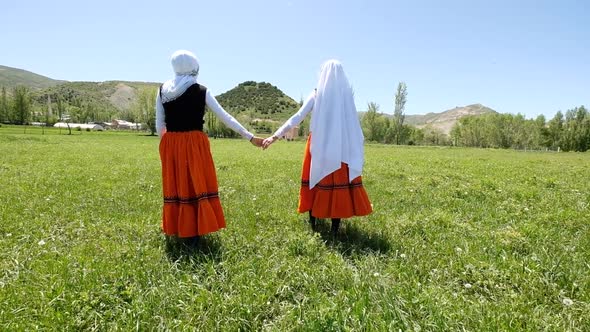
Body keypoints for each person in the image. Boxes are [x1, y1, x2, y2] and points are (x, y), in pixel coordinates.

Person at [156, 50, 263, 246]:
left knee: (177, 184)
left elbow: (160, 123)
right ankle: (195, 230)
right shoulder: (201, 90)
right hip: (194, 142)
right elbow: (225, 117)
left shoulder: (163, 90)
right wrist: (249, 137)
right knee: (196, 182)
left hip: (170, 143)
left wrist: (164, 147)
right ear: (194, 66)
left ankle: (180, 228)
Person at [262, 59, 372, 234]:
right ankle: (335, 228)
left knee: (315, 179)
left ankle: (314, 224)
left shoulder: (316, 93)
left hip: (319, 144)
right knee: (338, 182)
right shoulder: (346, 95)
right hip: (341, 147)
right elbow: (353, 124)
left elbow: (297, 117)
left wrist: (275, 135)